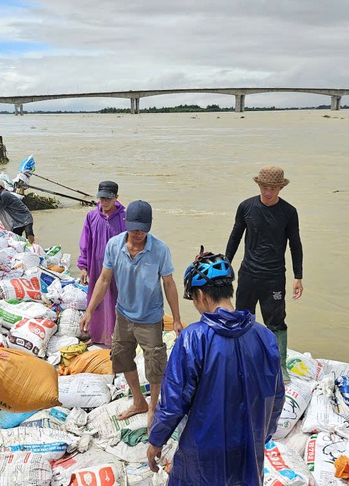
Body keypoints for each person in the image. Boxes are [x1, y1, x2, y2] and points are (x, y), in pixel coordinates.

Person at [147, 249, 285, 485]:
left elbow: (174, 401)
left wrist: (156, 440)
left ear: (200, 295)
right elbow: (276, 396)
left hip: (204, 450)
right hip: (248, 446)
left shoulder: (193, 339)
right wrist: (263, 435)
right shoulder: (264, 336)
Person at [80, 200, 182, 426]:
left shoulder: (160, 249)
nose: (138, 233)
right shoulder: (114, 246)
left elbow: (169, 284)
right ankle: (138, 401)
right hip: (123, 315)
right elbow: (104, 279)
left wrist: (176, 319)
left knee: (155, 366)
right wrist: (89, 311)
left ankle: (153, 408)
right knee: (121, 358)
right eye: (134, 227)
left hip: (150, 317)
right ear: (126, 223)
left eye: (143, 228)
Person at [225, 165, 303, 382]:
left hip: (274, 277)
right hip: (248, 273)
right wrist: (225, 264)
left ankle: (280, 365)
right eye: (265, 187)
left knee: (276, 322)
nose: (268, 192)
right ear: (259, 185)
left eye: (273, 188)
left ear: (280, 188)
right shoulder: (246, 207)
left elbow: (295, 245)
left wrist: (299, 276)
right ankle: (241, 360)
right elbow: (235, 237)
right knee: (242, 319)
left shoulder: (289, 212)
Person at [77, 180, 127, 346]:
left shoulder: (123, 217)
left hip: (119, 267)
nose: (104, 202)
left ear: (116, 198)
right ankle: (97, 335)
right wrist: (84, 266)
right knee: (96, 299)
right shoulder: (92, 217)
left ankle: (116, 335)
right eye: (102, 198)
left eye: (108, 199)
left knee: (117, 299)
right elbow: (85, 242)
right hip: (96, 265)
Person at [0, 177, 36, 244]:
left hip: (25, 217)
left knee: (29, 234)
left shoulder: (4, 195)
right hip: (17, 221)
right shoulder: (1, 195)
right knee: (16, 238)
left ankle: (33, 249)